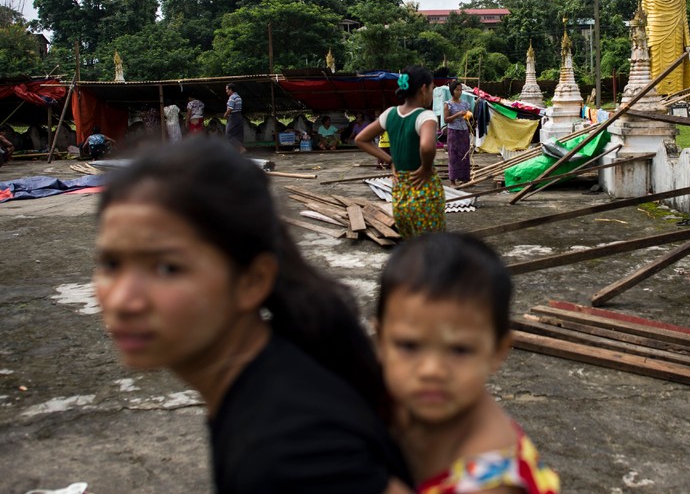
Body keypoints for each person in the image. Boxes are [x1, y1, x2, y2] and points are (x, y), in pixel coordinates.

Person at [93, 138, 413, 493]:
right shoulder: (271, 378)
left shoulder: (287, 454)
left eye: (167, 268)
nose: (123, 300)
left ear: (252, 281)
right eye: (111, 264)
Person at [375, 232, 560, 494]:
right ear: (380, 341)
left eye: (460, 350)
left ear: (498, 351)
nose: (432, 370)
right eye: (408, 346)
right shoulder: (382, 399)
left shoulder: (492, 480)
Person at [355, 67, 444, 239]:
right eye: (432, 89)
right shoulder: (426, 116)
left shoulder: (390, 114)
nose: (432, 94)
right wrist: (426, 168)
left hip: (400, 191)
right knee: (432, 248)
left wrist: (390, 160)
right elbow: (427, 147)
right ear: (423, 88)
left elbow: (361, 139)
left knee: (411, 245)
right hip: (424, 192)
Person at [443, 81, 472, 186]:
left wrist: (468, 116)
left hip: (464, 131)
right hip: (453, 132)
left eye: (460, 90)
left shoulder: (464, 103)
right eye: (457, 90)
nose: (459, 92)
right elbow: (446, 119)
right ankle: (453, 180)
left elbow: (468, 117)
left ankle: (464, 177)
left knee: (464, 154)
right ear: (452, 91)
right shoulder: (448, 104)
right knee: (453, 155)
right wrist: (458, 114)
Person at [224, 83, 246, 154]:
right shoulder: (238, 96)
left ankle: (241, 148)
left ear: (230, 89)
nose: (226, 91)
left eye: (227, 89)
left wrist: (225, 114)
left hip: (233, 117)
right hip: (239, 116)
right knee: (237, 134)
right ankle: (237, 151)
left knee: (229, 134)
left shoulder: (232, 97)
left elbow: (230, 108)